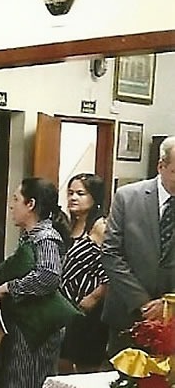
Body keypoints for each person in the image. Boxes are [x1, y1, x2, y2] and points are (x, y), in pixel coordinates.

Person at [0, 177, 71, 388]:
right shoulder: (31, 236)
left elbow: (48, 276)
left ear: (31, 204)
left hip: (39, 328)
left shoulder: (45, 237)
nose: (12, 206)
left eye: (16, 200)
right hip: (29, 326)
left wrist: (9, 287)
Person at [101, 135, 175, 356]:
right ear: (161, 166)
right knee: (121, 384)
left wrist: (168, 303)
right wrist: (142, 303)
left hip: (171, 317)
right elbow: (111, 253)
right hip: (127, 313)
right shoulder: (127, 197)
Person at [59, 173, 109, 372]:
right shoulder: (69, 224)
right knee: (61, 364)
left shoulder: (100, 227)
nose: (73, 198)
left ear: (94, 197)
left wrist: (94, 297)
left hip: (90, 308)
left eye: (80, 193)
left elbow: (113, 268)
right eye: (70, 193)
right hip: (67, 305)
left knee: (85, 368)